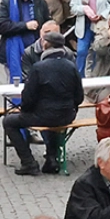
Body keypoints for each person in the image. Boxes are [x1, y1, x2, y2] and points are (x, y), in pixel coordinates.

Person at [8, 33, 84, 176]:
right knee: (54, 122)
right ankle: (51, 158)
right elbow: (79, 96)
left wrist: (25, 111)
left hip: (43, 115)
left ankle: (28, 162)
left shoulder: (38, 68)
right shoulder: (71, 67)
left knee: (9, 122)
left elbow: (28, 98)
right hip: (67, 115)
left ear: (46, 45)